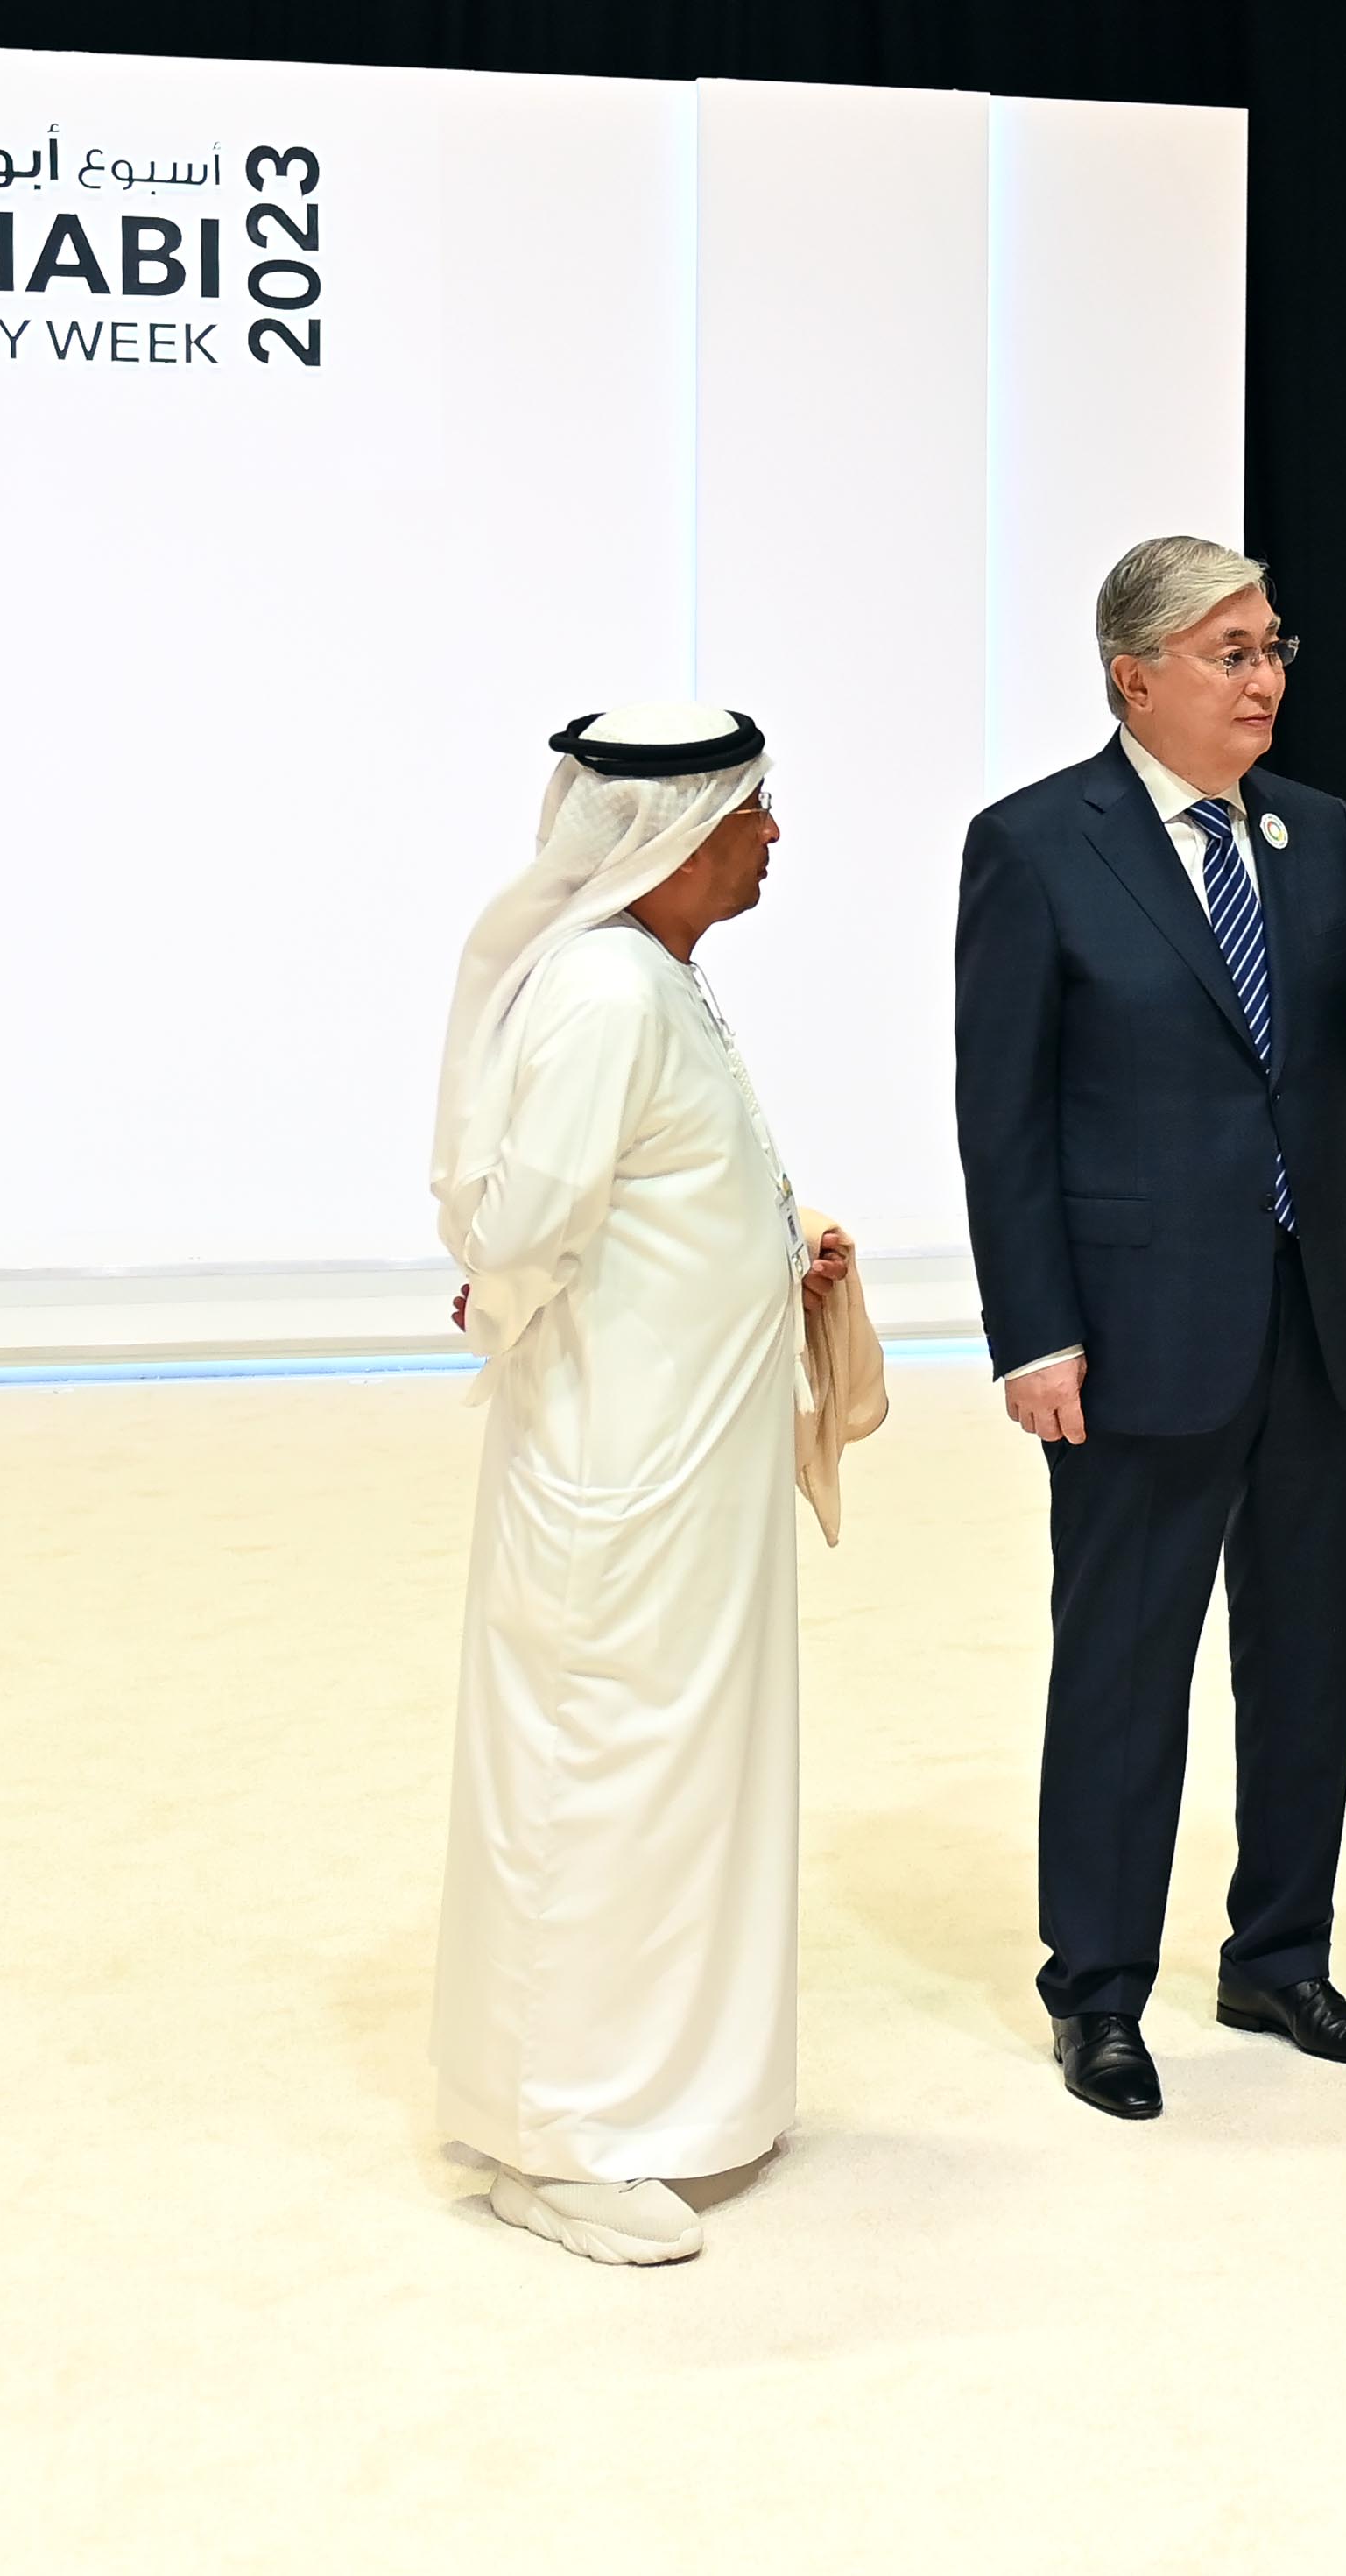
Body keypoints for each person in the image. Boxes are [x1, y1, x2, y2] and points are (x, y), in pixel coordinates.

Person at [953, 536, 1346, 2121]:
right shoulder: (1035, 845)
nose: (1265, 677)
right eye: (1230, 652)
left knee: (1304, 1658)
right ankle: (1098, 1990)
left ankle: (1279, 1955)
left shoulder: (1319, 830)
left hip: (1310, 1319)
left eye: (1272, 645)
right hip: (1134, 1330)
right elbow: (1002, 1119)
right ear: (1134, 676)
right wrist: (1033, 1331)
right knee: (1123, 1668)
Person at [426, 703, 870, 2266]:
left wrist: (778, 1245)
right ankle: (556, 2141)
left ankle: (659, 2100)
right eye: (751, 811)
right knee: (597, 1776)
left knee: (676, 1779)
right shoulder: (609, 989)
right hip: (616, 1480)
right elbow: (521, 1226)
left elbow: (656, 1192)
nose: (772, 836)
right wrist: (494, 1293)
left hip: (688, 1480)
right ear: (671, 835)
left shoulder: (659, 979)